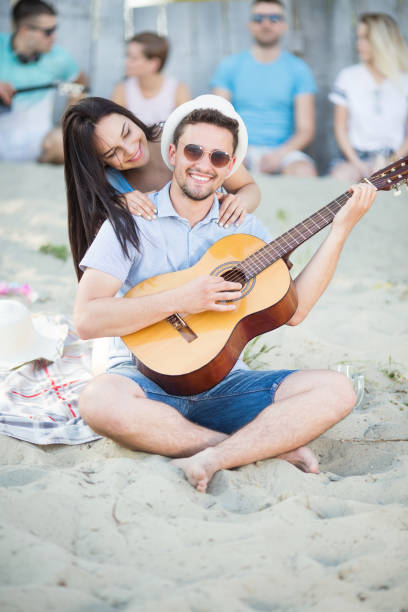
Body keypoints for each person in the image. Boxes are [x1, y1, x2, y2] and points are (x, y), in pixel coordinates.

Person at [72, 94, 377, 493]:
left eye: (218, 157)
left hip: (225, 383)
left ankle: (212, 457)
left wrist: (340, 230)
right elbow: (86, 319)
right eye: (193, 151)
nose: (203, 164)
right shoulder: (129, 222)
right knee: (97, 401)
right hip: (143, 379)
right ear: (172, 153)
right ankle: (237, 447)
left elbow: (296, 309)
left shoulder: (246, 232)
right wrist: (183, 298)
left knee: (337, 389)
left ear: (231, 166)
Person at [62, 96, 261, 279]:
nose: (130, 150)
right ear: (99, 161)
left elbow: (249, 187)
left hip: (210, 258)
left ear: (130, 117)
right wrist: (114, 207)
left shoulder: (184, 137)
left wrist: (237, 205)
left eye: (127, 133)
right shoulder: (108, 186)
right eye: (112, 152)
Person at [211, 0, 317, 176]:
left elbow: (306, 129)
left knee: (304, 171)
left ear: (284, 25)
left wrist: (279, 155)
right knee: (222, 168)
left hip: (284, 152)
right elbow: (217, 118)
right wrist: (238, 151)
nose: (266, 24)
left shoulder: (299, 69)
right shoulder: (229, 66)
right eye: (259, 18)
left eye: (274, 18)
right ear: (250, 25)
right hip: (239, 148)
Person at [0, 0, 86, 164]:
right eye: (48, 31)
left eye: (55, 29)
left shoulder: (59, 57)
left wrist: (68, 121)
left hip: (39, 141)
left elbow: (80, 82)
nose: (54, 37)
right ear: (25, 30)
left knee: (65, 145)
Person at [329, 12, 408, 182]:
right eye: (359, 38)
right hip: (355, 158)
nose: (359, 44)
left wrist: (391, 162)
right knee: (339, 178)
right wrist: (358, 164)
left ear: (382, 41)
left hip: (396, 158)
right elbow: (340, 128)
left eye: (365, 38)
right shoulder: (348, 77)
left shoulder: (404, 80)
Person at [112, 31, 190, 125]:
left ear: (154, 64)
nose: (126, 62)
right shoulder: (122, 90)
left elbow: (185, 129)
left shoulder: (179, 90)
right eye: (127, 56)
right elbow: (115, 125)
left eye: (133, 58)